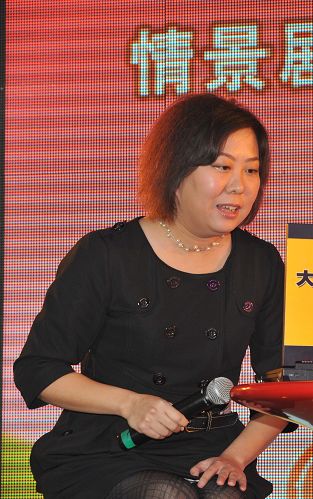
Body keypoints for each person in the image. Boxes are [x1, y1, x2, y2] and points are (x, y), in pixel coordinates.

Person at [14, 94, 291, 499]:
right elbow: (39, 370)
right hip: (111, 444)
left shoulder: (260, 261)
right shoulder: (108, 254)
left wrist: (235, 457)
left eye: (252, 170)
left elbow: (282, 383)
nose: (240, 185)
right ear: (176, 168)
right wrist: (131, 404)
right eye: (222, 166)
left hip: (213, 445)